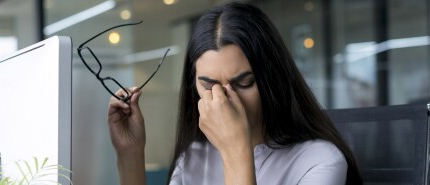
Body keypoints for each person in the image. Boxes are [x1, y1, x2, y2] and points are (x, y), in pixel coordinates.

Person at [107, 2, 363, 185]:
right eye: (208, 86)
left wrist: (236, 150)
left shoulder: (320, 161)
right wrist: (130, 154)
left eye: (244, 83)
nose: (224, 100)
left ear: (271, 80)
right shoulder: (195, 156)